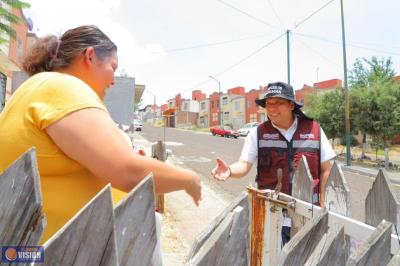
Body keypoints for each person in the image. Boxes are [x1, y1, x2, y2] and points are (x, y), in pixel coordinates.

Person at [0, 25, 201, 243]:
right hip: (50, 253)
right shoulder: (63, 86)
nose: (114, 80)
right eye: (113, 67)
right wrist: (190, 179)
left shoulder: (45, 87)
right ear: (90, 56)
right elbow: (127, 171)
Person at [211, 81, 336, 244]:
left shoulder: (314, 130)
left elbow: (327, 169)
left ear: (292, 105)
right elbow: (244, 164)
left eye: (279, 102)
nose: (272, 108)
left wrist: (322, 203)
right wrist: (229, 170)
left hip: (307, 215)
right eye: (268, 104)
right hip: (271, 214)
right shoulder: (258, 133)